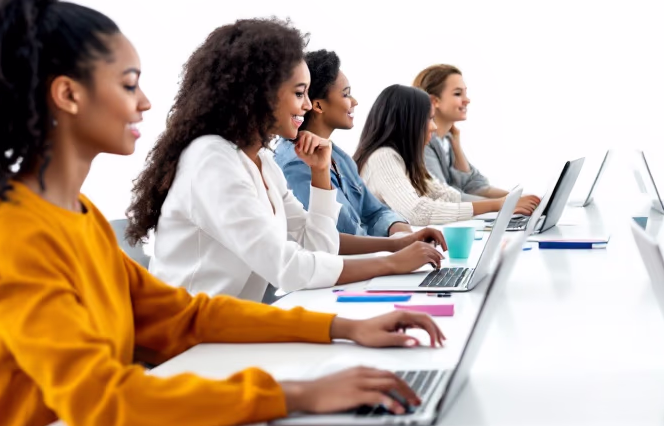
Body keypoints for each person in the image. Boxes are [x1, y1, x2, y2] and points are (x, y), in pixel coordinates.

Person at [0, 0, 445, 426]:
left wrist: (343, 329)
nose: (145, 102)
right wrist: (297, 394)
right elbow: (101, 401)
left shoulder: (79, 217)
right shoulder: (13, 230)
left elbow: (186, 317)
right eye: (128, 84)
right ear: (69, 95)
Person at [126, 19, 446, 302]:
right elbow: (288, 268)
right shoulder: (211, 160)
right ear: (259, 94)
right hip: (189, 338)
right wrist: (391, 262)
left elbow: (317, 247)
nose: (307, 105)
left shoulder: (263, 162)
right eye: (299, 93)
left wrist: (320, 174)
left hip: (229, 328)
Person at [275, 49, 411, 237]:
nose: (355, 101)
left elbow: (376, 212)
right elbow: (335, 237)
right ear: (318, 105)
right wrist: (399, 244)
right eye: (346, 95)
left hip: (379, 251)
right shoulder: (295, 164)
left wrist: (404, 234)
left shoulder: (339, 156)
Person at [358, 85, 528, 226]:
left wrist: (507, 202)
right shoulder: (383, 157)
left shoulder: (404, 160)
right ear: (408, 122)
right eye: (429, 119)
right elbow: (417, 212)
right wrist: (498, 204)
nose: (434, 127)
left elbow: (447, 196)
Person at [414, 64, 538, 214]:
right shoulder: (422, 144)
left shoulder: (447, 140)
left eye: (465, 93)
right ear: (434, 101)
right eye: (458, 94)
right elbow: (442, 198)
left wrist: (521, 199)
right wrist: (505, 203)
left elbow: (474, 185)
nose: (467, 100)